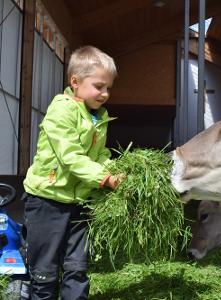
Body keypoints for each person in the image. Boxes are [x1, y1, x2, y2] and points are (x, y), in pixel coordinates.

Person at [23, 46, 122, 300]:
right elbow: (69, 156)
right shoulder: (62, 110)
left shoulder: (99, 117)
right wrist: (103, 178)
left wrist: (113, 171)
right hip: (48, 200)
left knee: (77, 268)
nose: (105, 94)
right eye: (99, 86)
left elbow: (99, 155)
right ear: (75, 82)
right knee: (44, 272)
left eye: (108, 88)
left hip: (80, 203)